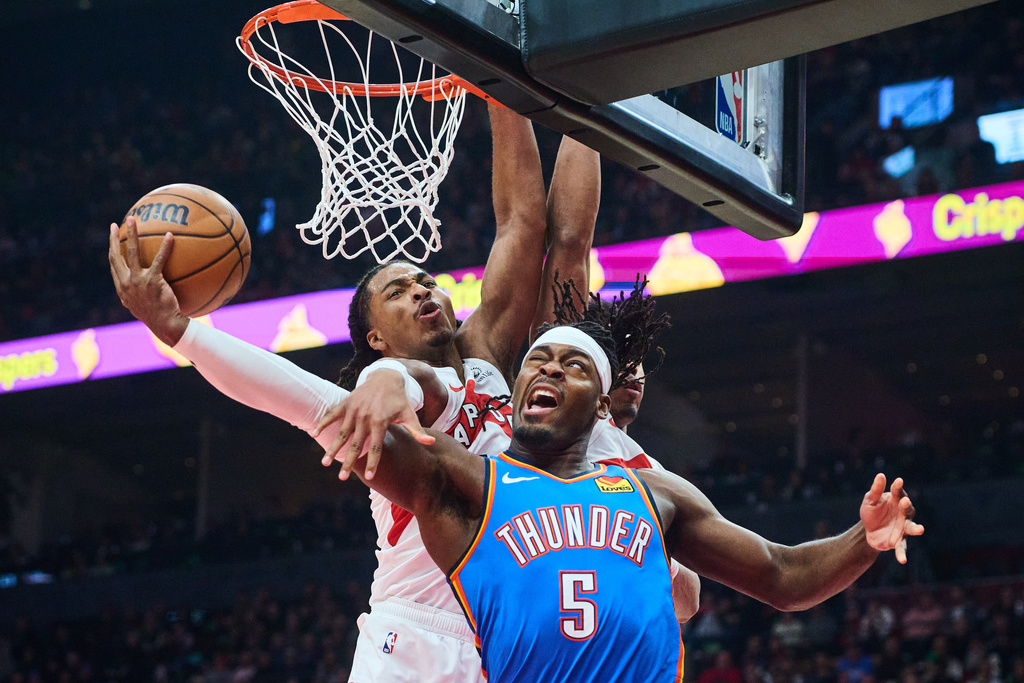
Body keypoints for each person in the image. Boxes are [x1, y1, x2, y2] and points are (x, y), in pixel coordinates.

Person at [324, 319, 925, 683]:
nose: (549, 371)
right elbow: (351, 428)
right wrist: (386, 377)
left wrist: (863, 540)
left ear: (601, 402)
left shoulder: (655, 495)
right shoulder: (473, 486)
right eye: (538, 361)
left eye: (573, 365)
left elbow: (784, 575)